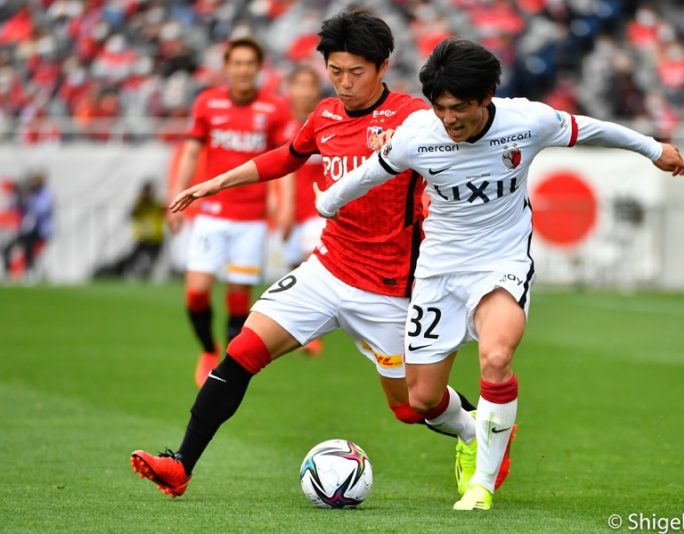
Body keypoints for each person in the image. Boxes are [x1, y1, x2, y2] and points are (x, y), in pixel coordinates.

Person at [314, 38, 684, 511]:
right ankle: (478, 432)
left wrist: (654, 149)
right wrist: (327, 202)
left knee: (496, 356)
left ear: (486, 97)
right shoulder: (417, 133)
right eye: (441, 108)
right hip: (438, 270)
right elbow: (372, 172)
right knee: (423, 401)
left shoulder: (526, 121)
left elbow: (592, 129)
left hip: (501, 262)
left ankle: (482, 485)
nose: (449, 119)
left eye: (460, 108)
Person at [131, 10, 488, 500]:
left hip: (388, 289)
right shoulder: (324, 115)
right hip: (326, 268)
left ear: (383, 66)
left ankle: (476, 430)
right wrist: (215, 182)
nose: (344, 83)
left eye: (355, 73)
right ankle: (180, 465)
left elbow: (461, 152)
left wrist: (417, 172)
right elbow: (286, 156)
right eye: (335, 71)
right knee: (242, 352)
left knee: (410, 408)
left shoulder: (413, 118)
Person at [167, 37, 294, 387]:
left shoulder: (275, 108)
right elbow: (192, 152)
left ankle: (224, 368)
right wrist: (177, 196)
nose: (243, 70)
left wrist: (283, 206)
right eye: (236, 63)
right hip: (212, 213)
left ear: (258, 68)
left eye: (249, 63)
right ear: (228, 67)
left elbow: (284, 162)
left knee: (239, 295)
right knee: (196, 291)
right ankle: (208, 348)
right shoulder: (208, 103)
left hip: (251, 220)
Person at [280, 64, 327, 356]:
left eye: (310, 85)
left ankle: (312, 334)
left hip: (318, 212)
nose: (304, 91)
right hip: (291, 211)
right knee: (293, 269)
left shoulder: (326, 121)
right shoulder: (281, 124)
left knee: (312, 266)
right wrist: (280, 207)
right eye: (299, 85)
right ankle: (302, 330)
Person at [2, 170, 53, 280]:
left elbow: (40, 210)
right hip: (27, 231)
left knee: (28, 249)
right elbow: (15, 209)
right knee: (8, 248)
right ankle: (9, 273)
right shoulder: (29, 196)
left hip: (39, 231)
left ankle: (29, 271)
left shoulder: (44, 195)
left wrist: (28, 204)